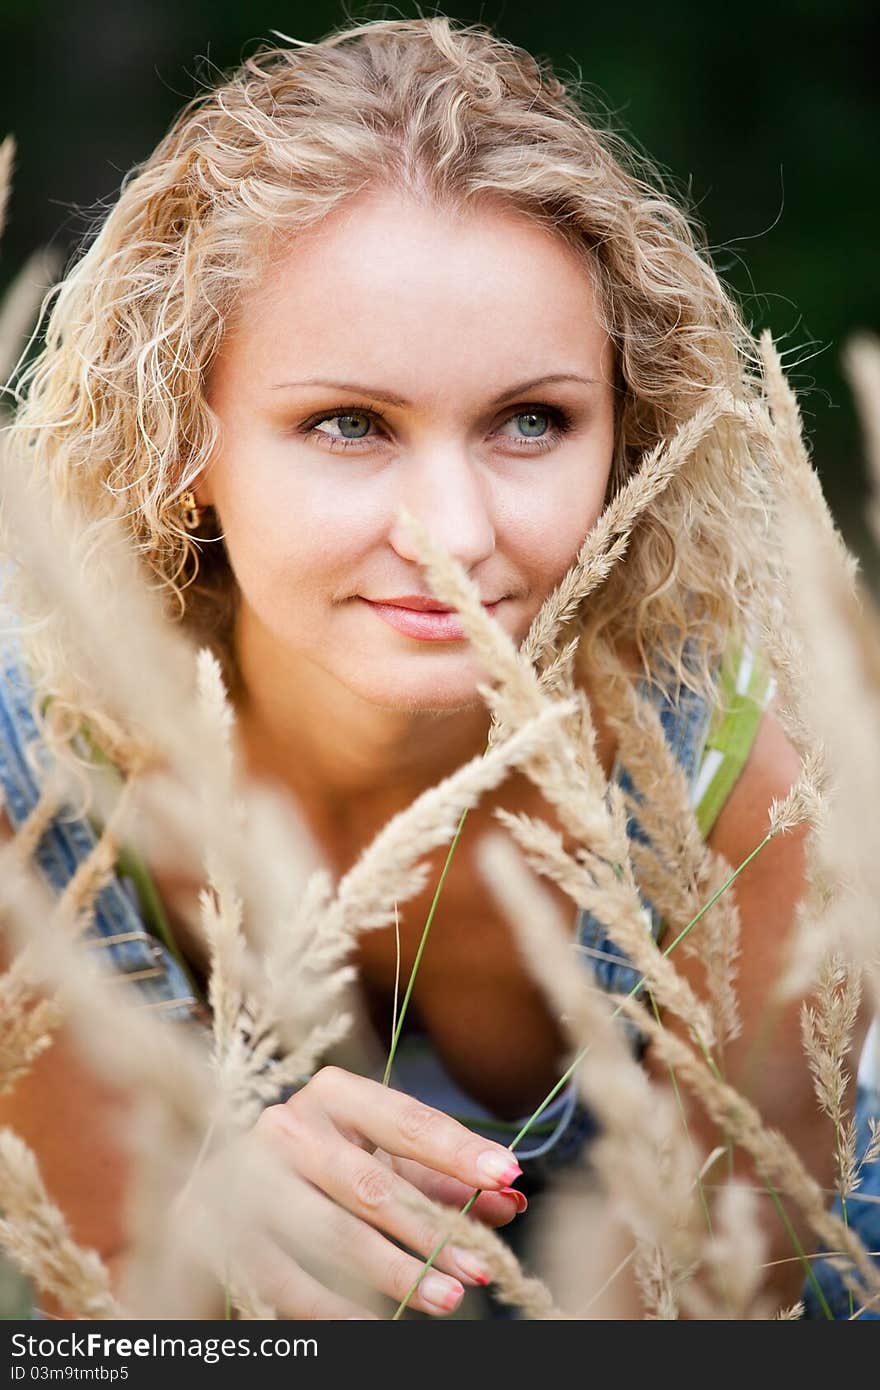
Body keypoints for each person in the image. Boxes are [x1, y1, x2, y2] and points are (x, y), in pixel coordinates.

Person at [0, 16, 875, 1320]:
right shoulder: (37, 785)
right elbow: (110, 1299)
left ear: (624, 438)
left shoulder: (744, 796)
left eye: (533, 419)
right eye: (349, 423)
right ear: (185, 435)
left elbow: (719, 1311)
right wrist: (200, 1229)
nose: (456, 533)